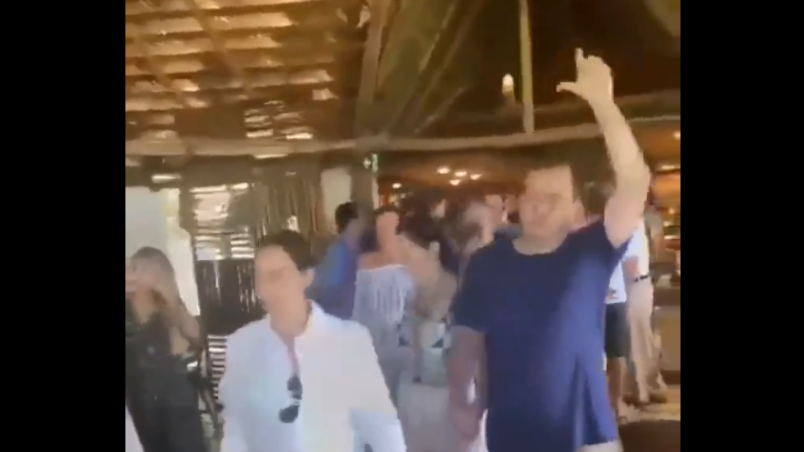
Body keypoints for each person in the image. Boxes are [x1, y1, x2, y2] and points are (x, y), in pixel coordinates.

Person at [448, 49, 652, 452]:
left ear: (577, 210)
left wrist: (604, 105)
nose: (538, 206)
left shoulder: (591, 251)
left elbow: (634, 183)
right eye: (532, 195)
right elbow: (468, 337)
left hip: (588, 437)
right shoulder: (488, 262)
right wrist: (460, 399)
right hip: (510, 434)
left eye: (553, 197)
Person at [219, 230, 405, 452]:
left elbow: (381, 427)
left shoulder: (349, 340)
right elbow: (236, 431)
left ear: (307, 276)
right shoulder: (243, 345)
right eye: (260, 277)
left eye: (277, 275)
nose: (265, 288)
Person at [125, 247, 208, 452]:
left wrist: (172, 299)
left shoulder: (169, 309)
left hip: (177, 412)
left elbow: (194, 338)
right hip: (138, 414)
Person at [352, 206, 417, 402]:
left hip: (407, 336)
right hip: (374, 337)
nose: (387, 232)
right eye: (381, 226)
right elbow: (359, 304)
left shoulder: (414, 256)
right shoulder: (364, 261)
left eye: (392, 225)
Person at [623, 219, 668, 406]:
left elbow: (630, 266)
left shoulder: (629, 221)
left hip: (632, 284)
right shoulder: (634, 219)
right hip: (639, 283)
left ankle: (641, 391)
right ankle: (649, 387)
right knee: (642, 339)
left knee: (636, 340)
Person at [307, 202, 367, 319]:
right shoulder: (338, 252)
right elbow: (323, 290)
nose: (365, 223)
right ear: (353, 222)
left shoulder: (356, 249)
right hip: (339, 320)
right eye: (363, 219)